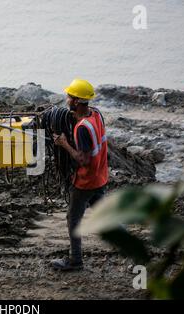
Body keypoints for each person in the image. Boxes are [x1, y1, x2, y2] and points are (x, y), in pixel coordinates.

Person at [51, 79, 108, 271]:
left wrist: (64, 144)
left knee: (73, 219)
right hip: (100, 177)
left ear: (76, 101)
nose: (67, 99)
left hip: (85, 182)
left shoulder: (83, 127)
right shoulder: (96, 116)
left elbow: (83, 159)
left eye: (69, 96)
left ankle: (75, 260)